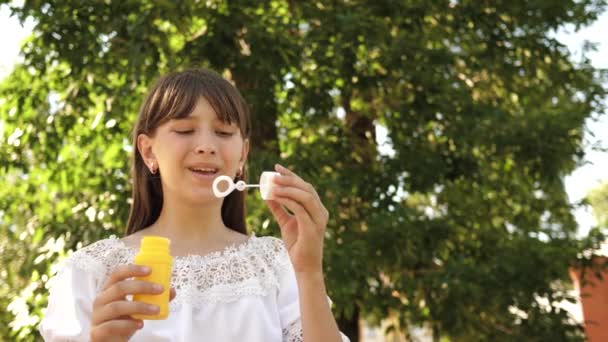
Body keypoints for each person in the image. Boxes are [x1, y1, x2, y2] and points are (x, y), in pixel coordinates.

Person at [39, 69, 350, 342]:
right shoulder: (91, 273)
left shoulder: (279, 266)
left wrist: (309, 272)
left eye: (224, 132)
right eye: (185, 130)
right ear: (148, 151)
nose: (206, 146)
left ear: (243, 154)